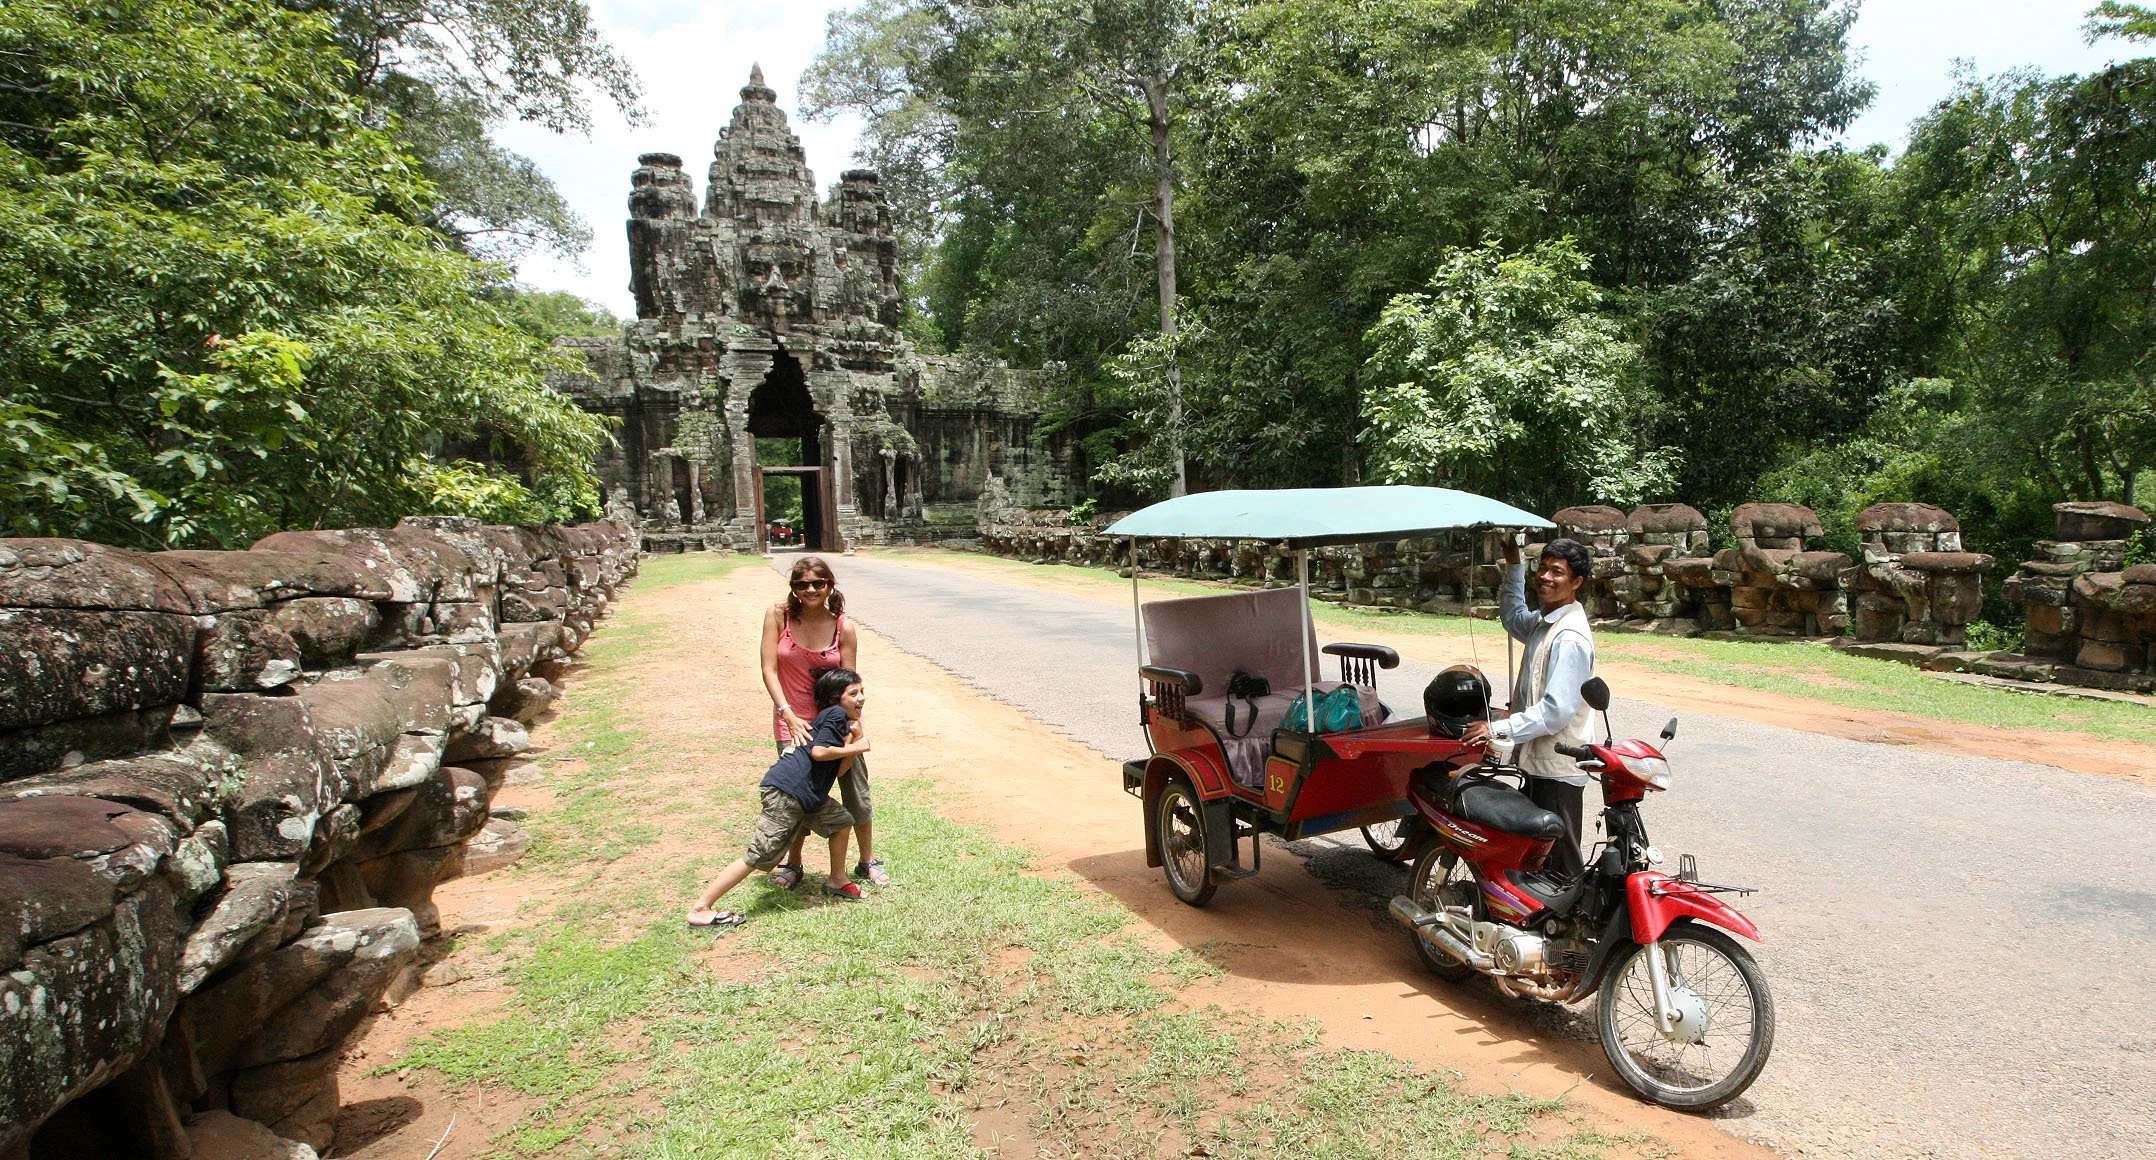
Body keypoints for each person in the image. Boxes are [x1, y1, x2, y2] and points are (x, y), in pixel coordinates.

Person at [687, 667, 872, 927]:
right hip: (788, 792)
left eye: (862, 691)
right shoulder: (836, 714)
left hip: (806, 795)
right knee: (759, 855)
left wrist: (854, 740)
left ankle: (837, 880)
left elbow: (839, 767)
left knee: (841, 822)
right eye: (853, 693)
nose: (861, 698)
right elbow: (819, 753)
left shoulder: (838, 721)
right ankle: (701, 908)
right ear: (835, 699)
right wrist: (859, 745)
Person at [1462, 536, 1598, 878]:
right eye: (1543, 568)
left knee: (1560, 858)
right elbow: (1512, 617)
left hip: (1558, 765)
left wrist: (1499, 727)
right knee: (1537, 850)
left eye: (1558, 572)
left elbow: (1556, 712)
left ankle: (1574, 927)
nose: (1546, 577)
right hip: (1538, 760)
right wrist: (1514, 565)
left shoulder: (1569, 637)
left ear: (1576, 582)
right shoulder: (1546, 620)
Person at [760, 556, 888, 887]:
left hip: (837, 724)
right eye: (801, 584)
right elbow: (769, 669)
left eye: (819, 583)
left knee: (855, 790)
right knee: (799, 795)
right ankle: (794, 863)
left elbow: (850, 682)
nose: (811, 590)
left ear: (831, 585)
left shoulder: (843, 626)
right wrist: (786, 712)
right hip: (796, 725)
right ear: (793, 588)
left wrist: (855, 726)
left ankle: (867, 860)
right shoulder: (778, 616)